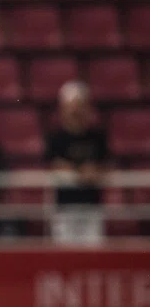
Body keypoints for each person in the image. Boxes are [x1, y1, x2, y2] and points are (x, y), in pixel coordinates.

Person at [45, 81, 110, 245]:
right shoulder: (56, 138)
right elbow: (54, 165)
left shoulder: (97, 137)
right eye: (72, 107)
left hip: (92, 207)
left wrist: (96, 170)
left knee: (93, 254)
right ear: (64, 109)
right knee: (65, 254)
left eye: (80, 106)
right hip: (65, 208)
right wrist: (81, 172)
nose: (76, 111)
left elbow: (106, 163)